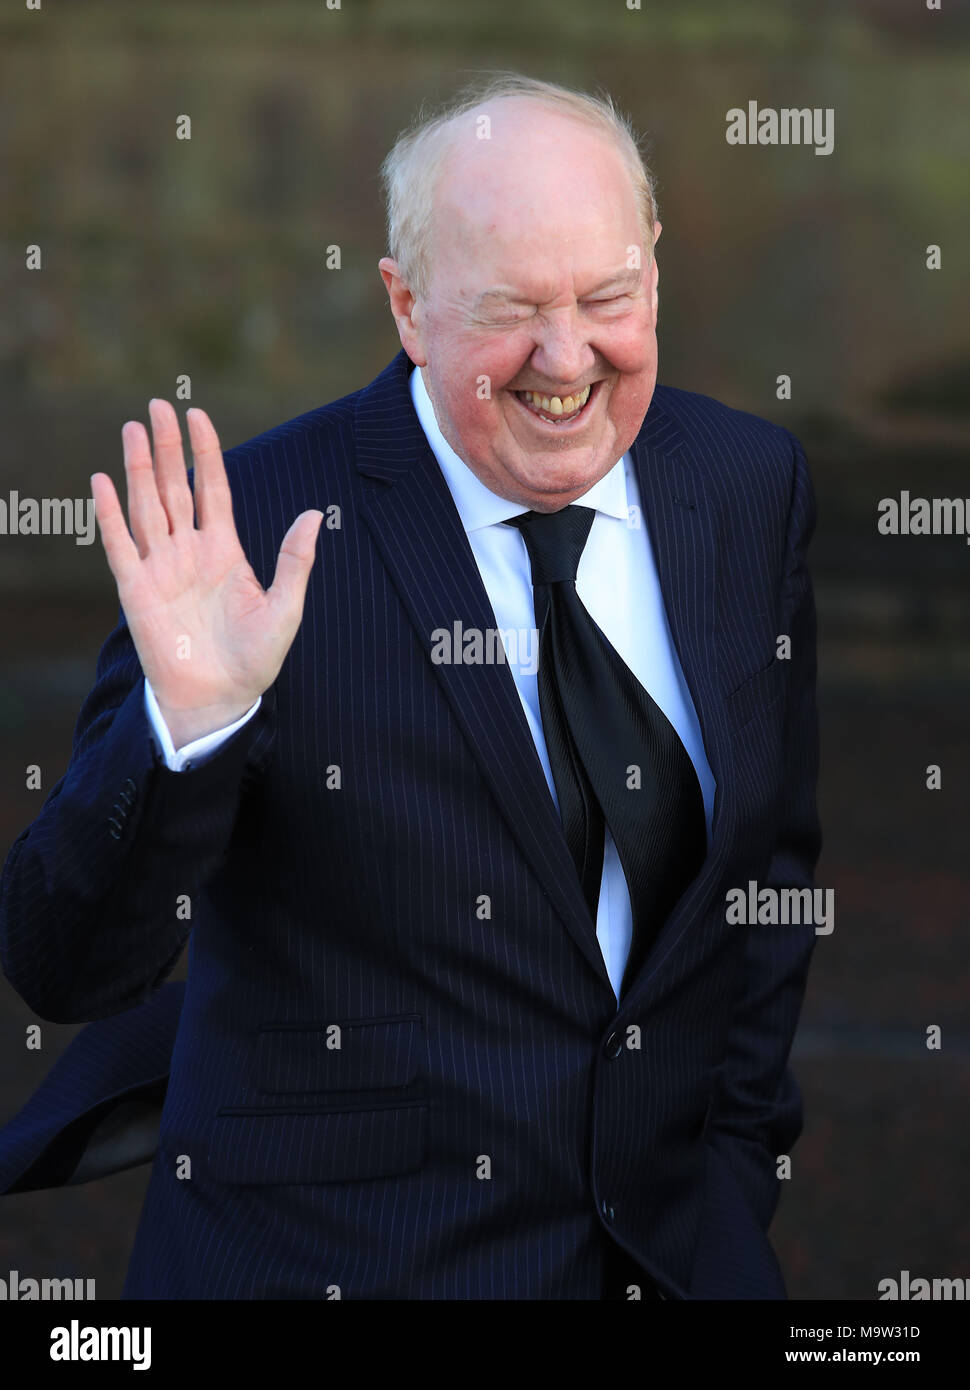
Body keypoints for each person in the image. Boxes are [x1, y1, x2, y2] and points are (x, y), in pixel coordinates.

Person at [0, 73, 820, 1301]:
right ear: (407, 307)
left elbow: (766, 876)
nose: (566, 358)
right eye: (511, 309)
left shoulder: (749, 485)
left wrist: (735, 1162)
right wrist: (190, 726)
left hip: (670, 1256)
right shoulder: (254, 528)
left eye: (607, 296)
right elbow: (65, 963)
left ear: (654, 268)